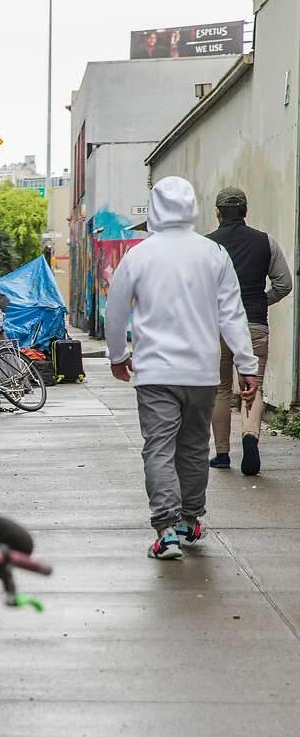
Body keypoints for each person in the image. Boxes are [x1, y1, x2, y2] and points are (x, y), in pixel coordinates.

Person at [105, 177, 258, 560]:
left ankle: (166, 531)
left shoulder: (139, 255)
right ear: (192, 207)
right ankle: (190, 520)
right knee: (193, 448)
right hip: (201, 372)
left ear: (155, 208)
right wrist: (246, 364)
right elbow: (232, 313)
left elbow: (116, 309)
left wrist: (118, 356)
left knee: (158, 447)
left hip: (155, 373)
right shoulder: (213, 253)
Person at [206, 187, 293, 476]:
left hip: (217, 328)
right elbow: (284, 284)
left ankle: (221, 454)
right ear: (245, 211)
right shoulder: (265, 242)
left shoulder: (206, 246)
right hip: (254, 324)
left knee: (220, 388)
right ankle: (250, 437)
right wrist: (260, 299)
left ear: (217, 213)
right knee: (253, 384)